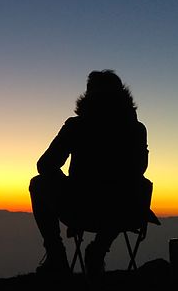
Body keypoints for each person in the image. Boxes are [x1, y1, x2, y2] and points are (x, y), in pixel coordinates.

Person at [29, 70, 151, 276]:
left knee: (38, 183)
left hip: (80, 209)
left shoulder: (76, 126)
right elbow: (139, 170)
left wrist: (65, 183)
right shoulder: (137, 129)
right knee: (135, 187)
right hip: (124, 212)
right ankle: (98, 251)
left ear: (89, 95)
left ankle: (56, 256)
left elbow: (45, 165)